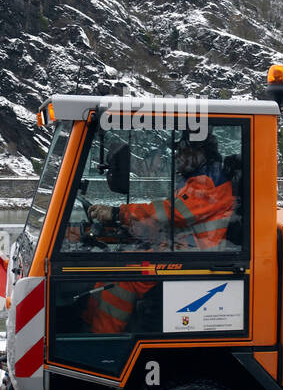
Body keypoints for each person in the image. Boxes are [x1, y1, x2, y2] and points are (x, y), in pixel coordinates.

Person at [80, 132, 237, 333]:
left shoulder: (208, 183)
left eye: (183, 150)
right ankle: (90, 326)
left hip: (196, 257)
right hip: (185, 249)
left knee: (125, 278)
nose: (177, 156)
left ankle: (103, 342)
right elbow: (171, 221)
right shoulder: (197, 179)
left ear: (199, 153)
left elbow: (173, 213)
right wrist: (129, 225)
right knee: (115, 264)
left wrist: (120, 213)